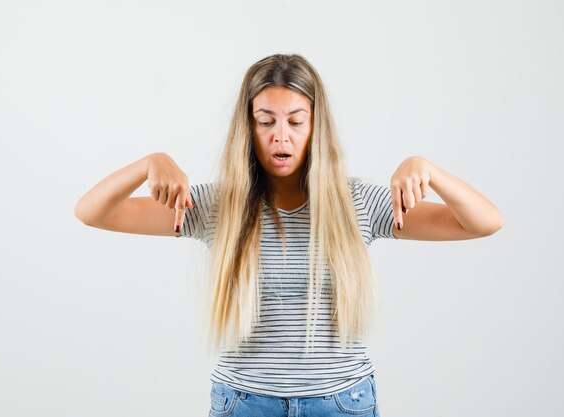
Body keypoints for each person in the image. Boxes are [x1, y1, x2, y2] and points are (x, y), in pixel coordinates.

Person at [74, 53, 503, 417]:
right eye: (266, 121)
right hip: (244, 403)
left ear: (316, 128)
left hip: (341, 403)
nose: (281, 135)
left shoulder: (357, 203)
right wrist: (151, 161)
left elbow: (483, 222)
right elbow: (92, 212)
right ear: (249, 129)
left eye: (296, 121)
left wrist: (426, 168)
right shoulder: (217, 206)